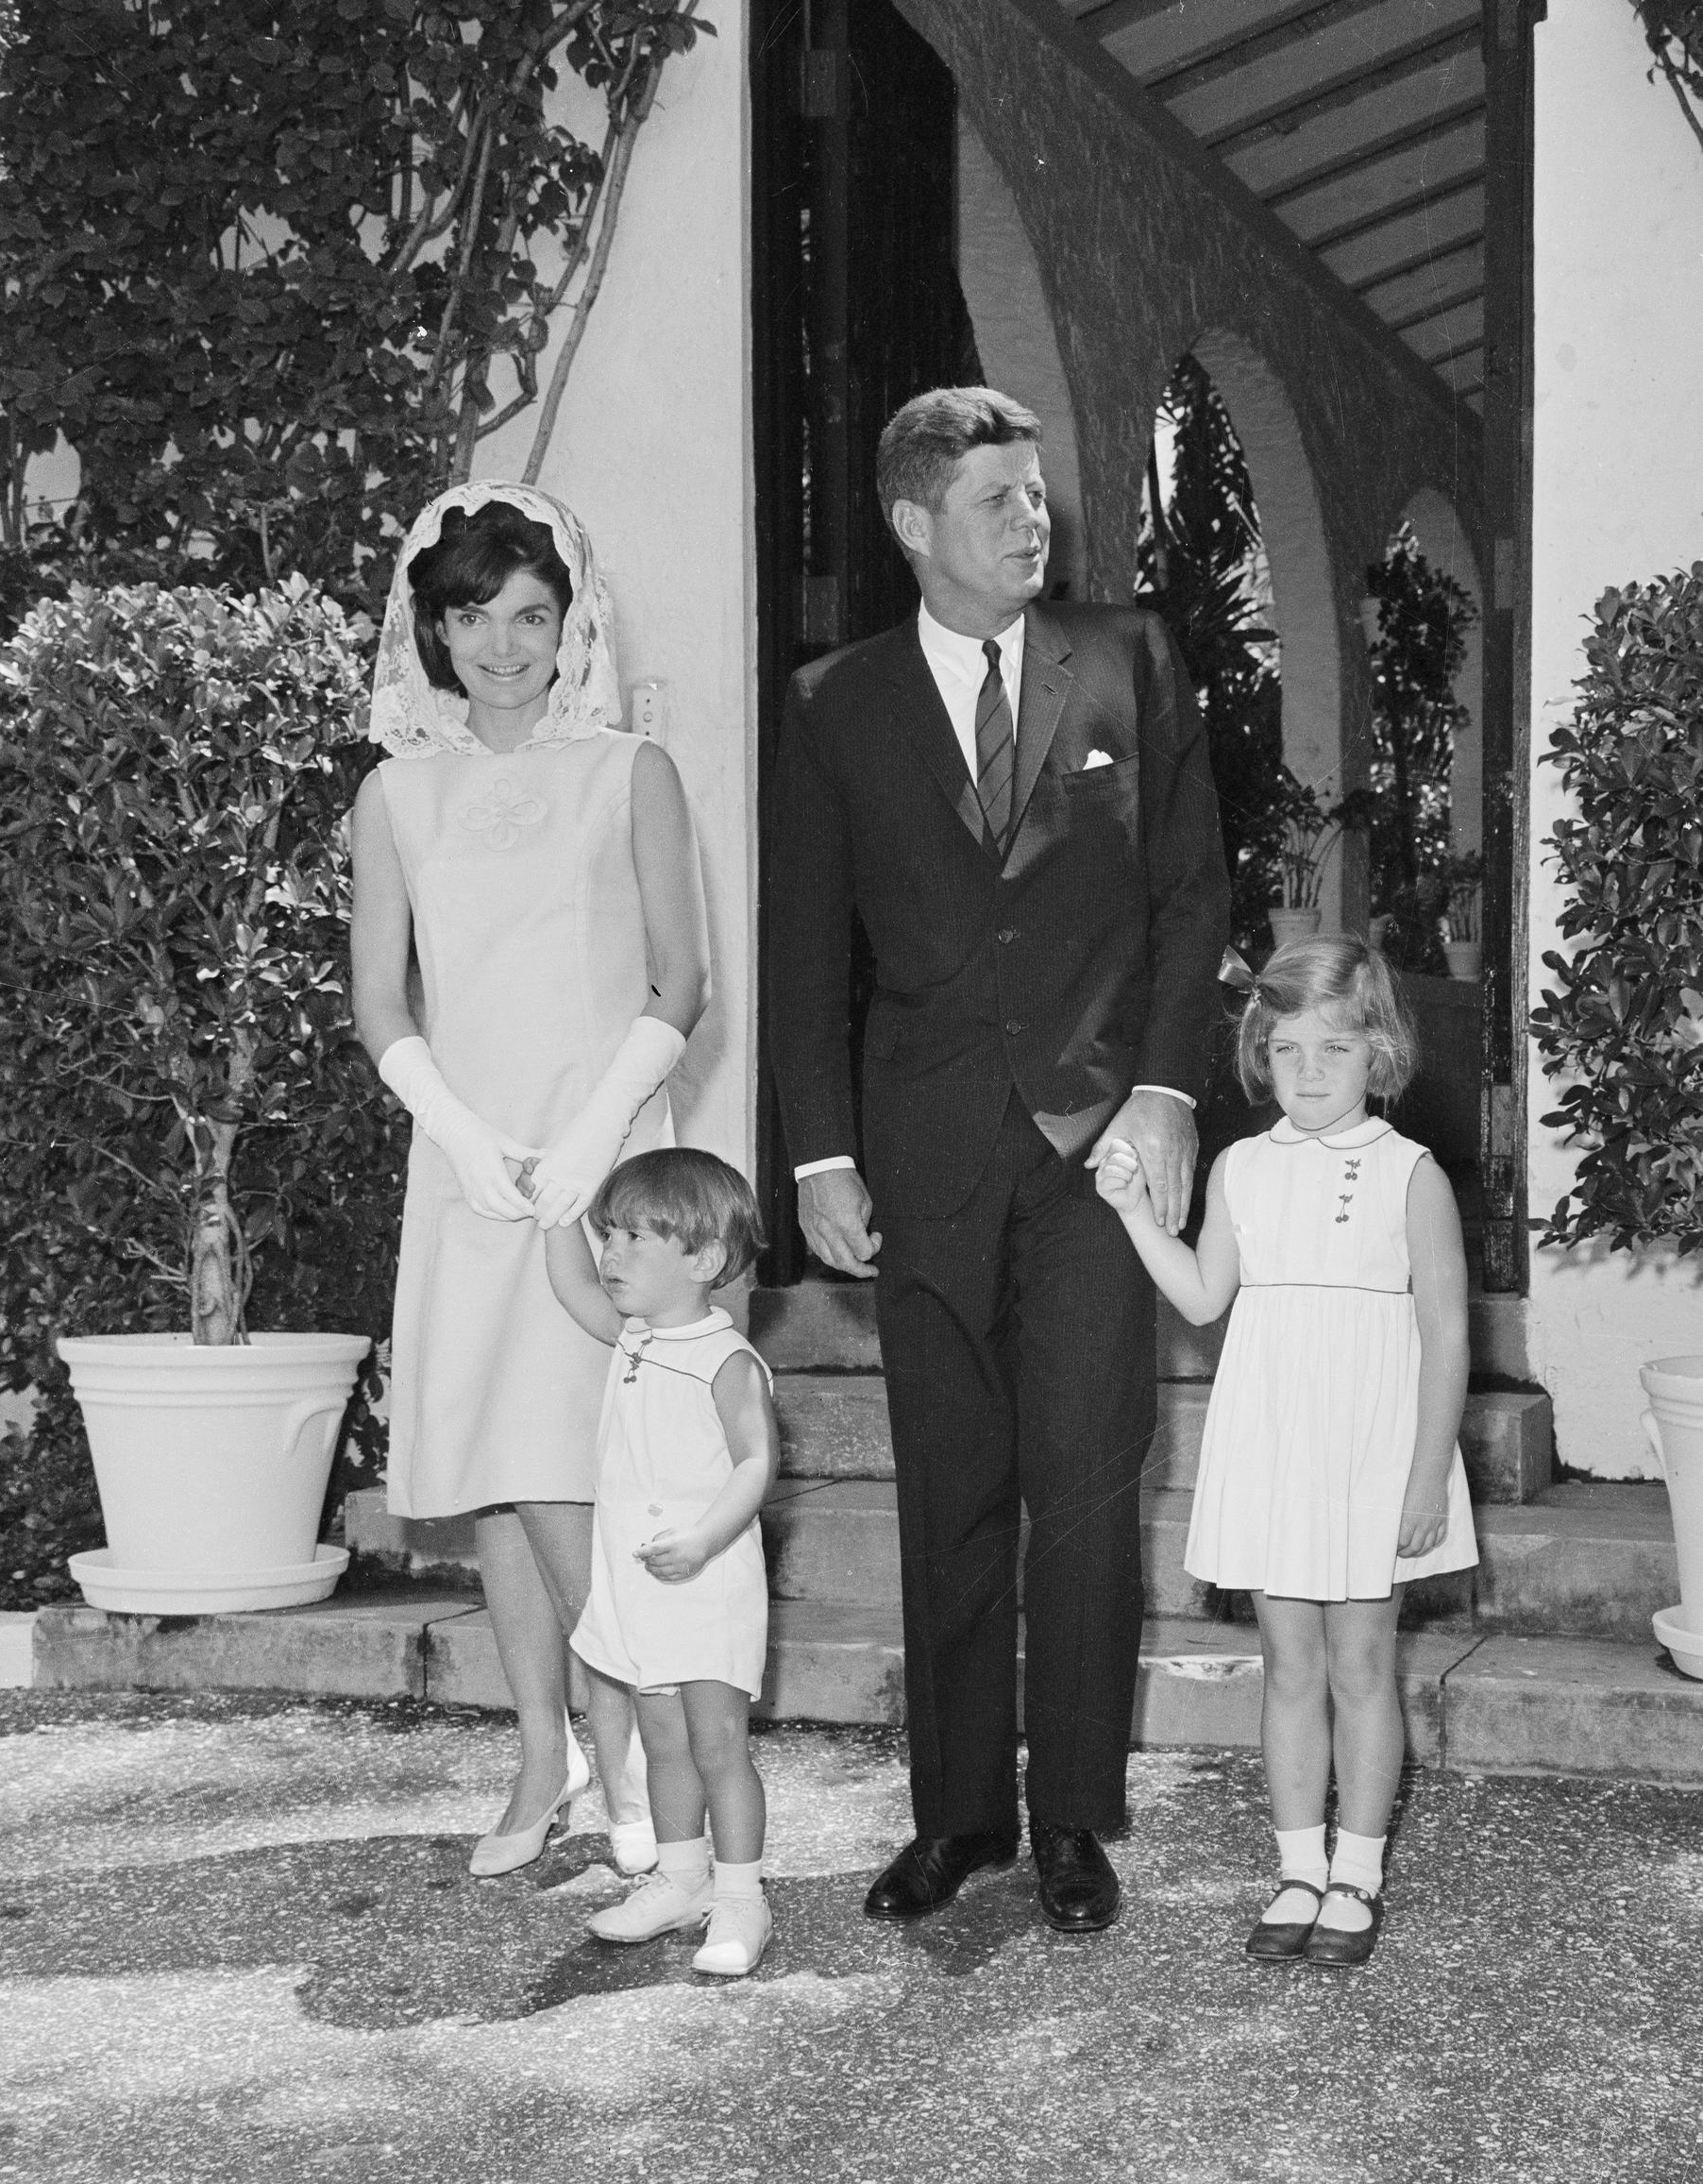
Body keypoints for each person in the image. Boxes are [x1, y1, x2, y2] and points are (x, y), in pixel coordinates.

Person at [767, 386, 1231, 1934]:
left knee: (1090, 1493)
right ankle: (959, 1814)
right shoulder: (835, 703)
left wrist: (1165, 1093)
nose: (1033, 523)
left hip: (1099, 1149)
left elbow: (1188, 903)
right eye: (997, 503)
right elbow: (803, 953)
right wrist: (821, 1154)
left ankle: (1074, 1823)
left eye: (1037, 497)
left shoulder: (1132, 663)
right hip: (924, 1152)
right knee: (951, 1490)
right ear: (913, 524)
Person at [351, 483, 710, 1881]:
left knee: (579, 1468)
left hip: (596, 1160)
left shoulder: (631, 770)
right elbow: (383, 1001)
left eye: (529, 615)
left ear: (571, 623)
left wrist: (585, 1144)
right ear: (429, 632)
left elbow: (680, 977)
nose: (502, 645)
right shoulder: (396, 793)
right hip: (464, 1163)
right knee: (499, 1476)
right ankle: (539, 1758)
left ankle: (630, 1762)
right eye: (470, 618)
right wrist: (450, 1126)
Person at [1094, 935, 1477, 1969]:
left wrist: (1424, 1474)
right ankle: (1298, 1865)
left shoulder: (1411, 1174)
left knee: (1363, 1665)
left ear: (1379, 1055)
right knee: (1287, 1664)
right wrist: (1135, 1214)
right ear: (1261, 1054)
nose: (1311, 1071)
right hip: (1272, 1440)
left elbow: (1447, 1337)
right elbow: (1204, 1297)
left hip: (1370, 1448)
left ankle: (1358, 1871)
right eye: (1290, 1048)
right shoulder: (1240, 1169)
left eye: (1336, 1049)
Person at [544, 1148, 781, 1977]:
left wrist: (705, 1538)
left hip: (705, 1581)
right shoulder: (636, 1337)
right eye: (610, 1233)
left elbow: (755, 1462)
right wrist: (558, 1211)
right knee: (662, 1740)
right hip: (641, 1584)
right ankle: (680, 1879)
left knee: (717, 1744)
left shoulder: (726, 1360)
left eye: (635, 1237)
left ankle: (741, 1897)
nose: (610, 1254)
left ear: (704, 1260)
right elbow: (573, 1288)